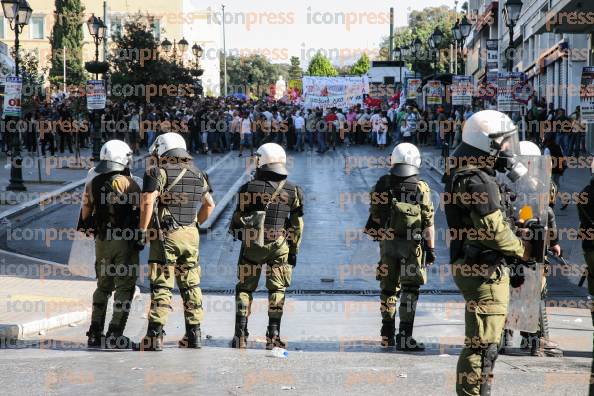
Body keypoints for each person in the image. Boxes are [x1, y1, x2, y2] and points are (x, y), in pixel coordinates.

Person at [443, 110, 532, 395]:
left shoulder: (468, 174)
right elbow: (492, 231)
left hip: (479, 265)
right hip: (482, 270)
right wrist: (522, 250)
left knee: (485, 345)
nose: (508, 149)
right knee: (482, 347)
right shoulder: (478, 180)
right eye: (504, 143)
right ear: (487, 144)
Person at [133, 132, 215, 351]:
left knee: (162, 283)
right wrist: (193, 224)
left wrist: (142, 230)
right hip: (191, 235)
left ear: (161, 151)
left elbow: (148, 201)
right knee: (191, 284)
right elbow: (210, 206)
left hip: (166, 236)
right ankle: (194, 334)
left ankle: (154, 337)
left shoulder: (156, 172)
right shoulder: (199, 174)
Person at [229, 143, 304, 349]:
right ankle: (273, 335)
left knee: (244, 289)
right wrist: (294, 248)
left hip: (253, 245)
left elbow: (238, 218)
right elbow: (298, 224)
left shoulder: (248, 188)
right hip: (280, 244)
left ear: (261, 160)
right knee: (277, 289)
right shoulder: (294, 190)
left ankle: (240, 336)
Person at [366, 143, 435, 350]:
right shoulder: (421, 187)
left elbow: (375, 215)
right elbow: (428, 222)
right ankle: (405, 337)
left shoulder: (382, 184)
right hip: (412, 246)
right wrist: (430, 250)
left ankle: (387, 334)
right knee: (410, 289)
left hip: (387, 244)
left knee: (388, 289)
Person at [499, 140, 563, 358]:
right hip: (530, 246)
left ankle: (508, 337)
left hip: (512, 244)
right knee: (534, 292)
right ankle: (533, 340)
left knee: (511, 290)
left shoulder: (506, 179)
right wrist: (554, 242)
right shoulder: (538, 184)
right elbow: (549, 214)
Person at [80, 140, 141, 349]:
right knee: (124, 287)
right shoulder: (127, 182)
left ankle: (94, 333)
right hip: (123, 242)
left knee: (103, 287)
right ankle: (115, 334)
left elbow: (85, 212)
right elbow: (142, 207)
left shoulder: (92, 182)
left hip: (102, 241)